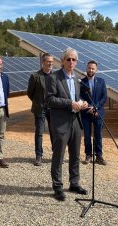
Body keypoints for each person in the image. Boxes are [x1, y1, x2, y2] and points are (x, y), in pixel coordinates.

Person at [45, 48, 89, 201]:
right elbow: (50, 100)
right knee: (58, 156)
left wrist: (82, 103)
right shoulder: (53, 78)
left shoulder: (76, 79)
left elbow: (76, 99)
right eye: (68, 59)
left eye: (74, 60)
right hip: (60, 123)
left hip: (75, 122)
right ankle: (57, 187)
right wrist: (70, 104)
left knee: (75, 155)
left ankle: (74, 183)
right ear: (62, 60)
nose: (71, 62)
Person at [27, 53, 54, 166]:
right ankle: (39, 156)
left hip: (53, 108)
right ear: (43, 62)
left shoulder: (56, 76)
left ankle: (56, 154)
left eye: (52, 62)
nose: (50, 64)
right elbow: (30, 93)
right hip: (40, 108)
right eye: (48, 61)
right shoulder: (35, 76)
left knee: (54, 132)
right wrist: (38, 102)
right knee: (39, 132)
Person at [80, 60, 108, 165]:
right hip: (86, 113)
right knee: (87, 135)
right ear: (86, 68)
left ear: (96, 70)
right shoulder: (81, 82)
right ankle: (88, 155)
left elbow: (104, 97)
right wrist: (88, 108)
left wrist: (96, 107)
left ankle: (99, 156)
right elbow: (79, 96)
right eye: (89, 68)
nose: (90, 70)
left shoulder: (101, 81)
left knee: (98, 135)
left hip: (98, 113)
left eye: (93, 68)